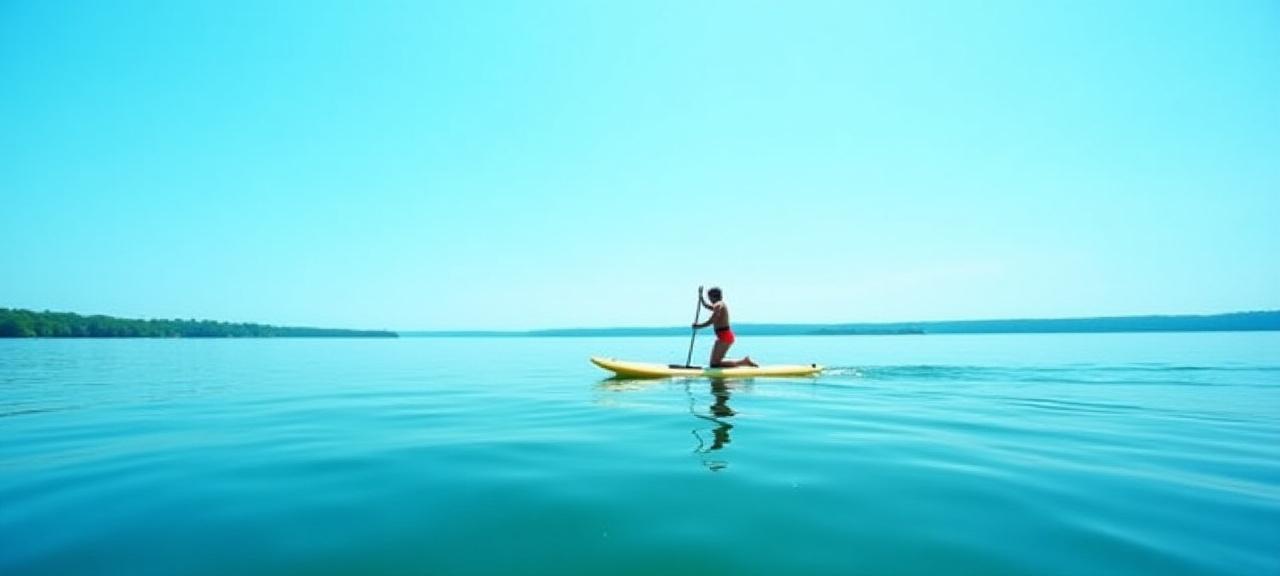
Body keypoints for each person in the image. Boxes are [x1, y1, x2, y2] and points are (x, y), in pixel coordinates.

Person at [692, 286, 758, 368]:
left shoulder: (719, 305)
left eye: (709, 297)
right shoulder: (719, 305)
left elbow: (712, 320)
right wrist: (701, 298)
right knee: (715, 363)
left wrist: (698, 326)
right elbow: (707, 306)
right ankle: (744, 362)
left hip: (725, 337)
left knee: (714, 364)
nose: (709, 299)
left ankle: (744, 362)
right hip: (724, 336)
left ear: (713, 297)